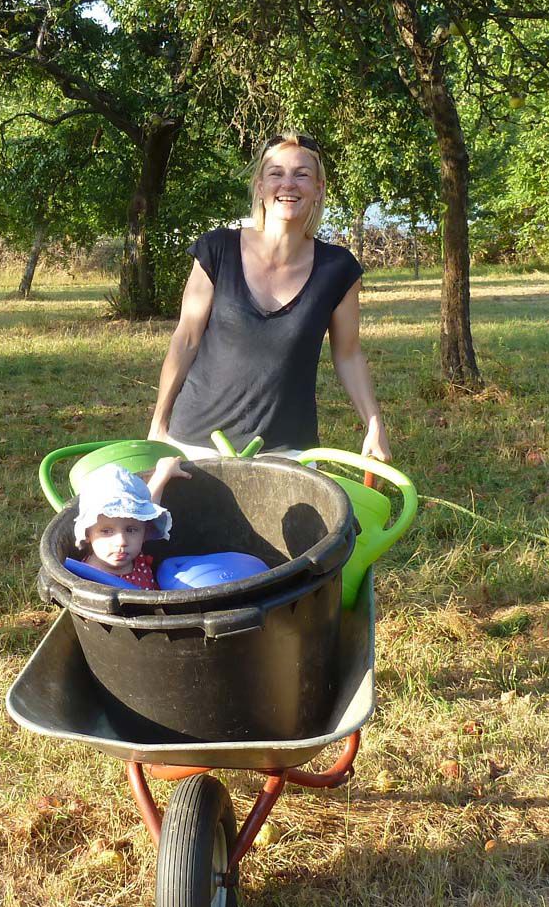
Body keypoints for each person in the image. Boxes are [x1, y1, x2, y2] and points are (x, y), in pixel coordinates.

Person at [148, 131, 390, 462]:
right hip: (195, 442)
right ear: (260, 187)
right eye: (276, 173)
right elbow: (186, 338)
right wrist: (158, 423)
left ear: (318, 189)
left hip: (287, 451)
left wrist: (374, 424)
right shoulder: (217, 249)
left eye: (302, 174)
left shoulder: (338, 268)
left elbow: (347, 355)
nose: (288, 184)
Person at [73, 458, 190, 589]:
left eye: (131, 530)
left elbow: (150, 507)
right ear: (87, 533)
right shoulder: (90, 580)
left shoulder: (132, 555)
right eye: (106, 531)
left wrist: (163, 472)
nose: (121, 541)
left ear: (145, 531)